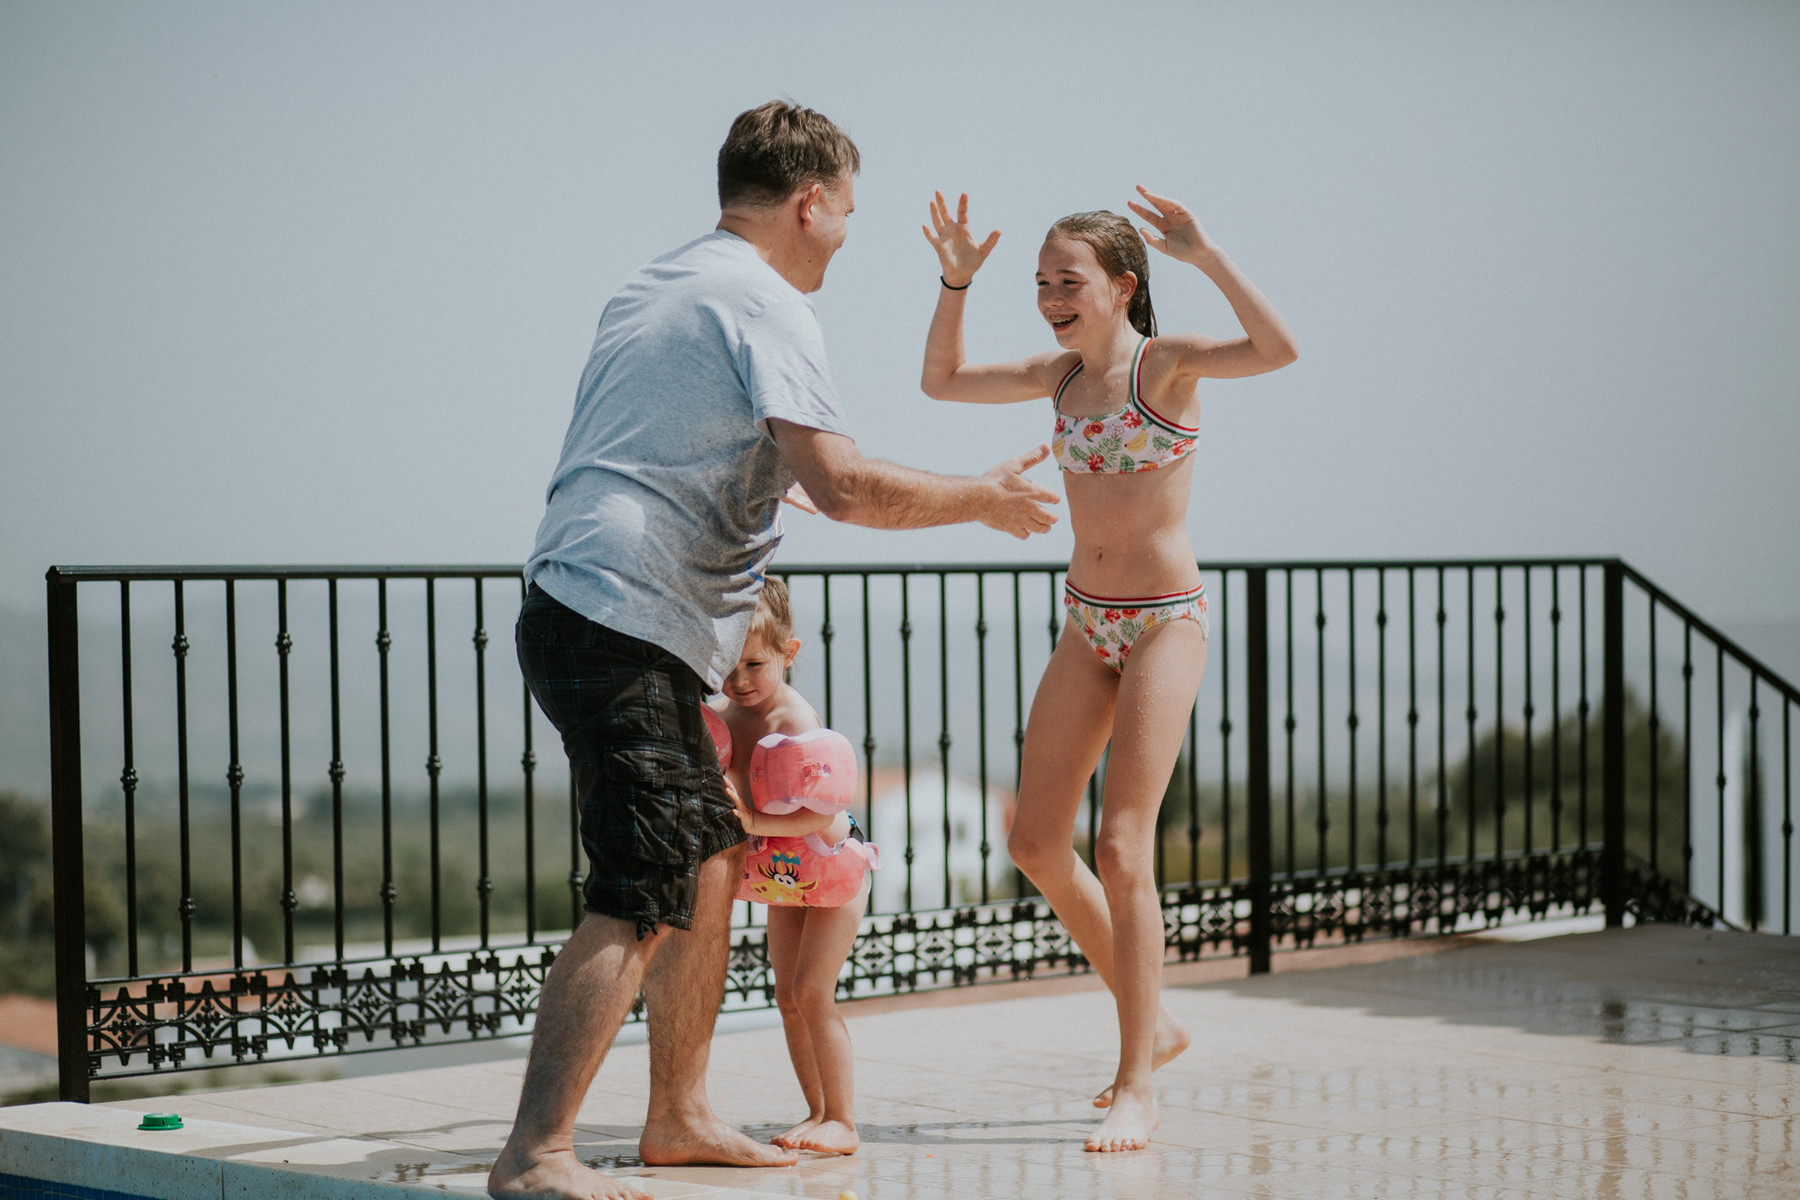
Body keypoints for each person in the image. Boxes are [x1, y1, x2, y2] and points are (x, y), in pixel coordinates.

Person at [489, 104, 1060, 1200]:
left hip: (591, 601)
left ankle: (681, 1116)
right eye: (847, 211)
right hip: (622, 614)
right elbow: (841, 486)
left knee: (706, 853)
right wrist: (980, 500)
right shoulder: (769, 303)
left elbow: (729, 460)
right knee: (642, 884)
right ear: (811, 200)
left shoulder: (659, 286)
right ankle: (537, 1153)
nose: (846, 232)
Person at [920, 187, 1297, 1152]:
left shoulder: (1163, 366)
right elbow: (943, 379)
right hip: (1087, 630)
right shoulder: (1057, 377)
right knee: (1036, 840)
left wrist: (1207, 254)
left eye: (1068, 279)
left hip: (1167, 624)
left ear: (1124, 286)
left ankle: (1138, 1080)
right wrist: (956, 278)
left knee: (1125, 845)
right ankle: (1155, 1018)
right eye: (1041, 280)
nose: (1050, 293)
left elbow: (1278, 349)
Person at [712, 578, 870, 1156]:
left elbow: (814, 816)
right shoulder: (730, 715)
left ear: (789, 653)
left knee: (813, 991)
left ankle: (844, 1122)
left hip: (831, 867)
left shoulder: (795, 722)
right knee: (786, 995)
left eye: (755, 663)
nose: (740, 680)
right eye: (727, 666)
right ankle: (817, 1112)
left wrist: (751, 825)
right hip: (787, 876)